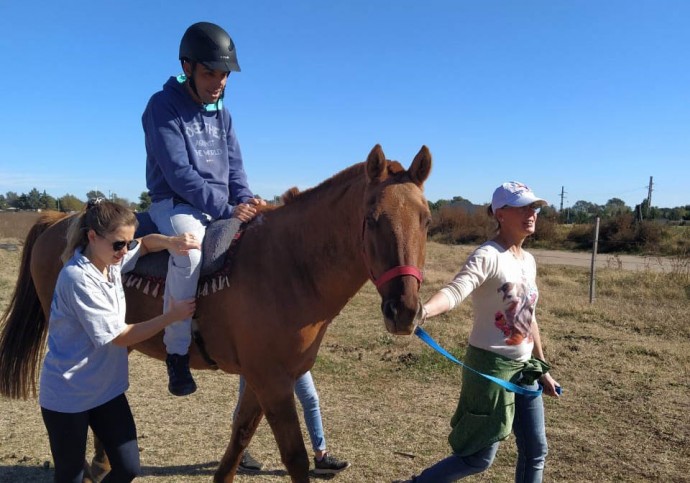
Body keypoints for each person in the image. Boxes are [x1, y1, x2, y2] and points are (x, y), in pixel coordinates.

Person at [395, 182, 561, 483]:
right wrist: (424, 311)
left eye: (533, 207)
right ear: (500, 213)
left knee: (536, 451)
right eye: (522, 207)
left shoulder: (529, 261)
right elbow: (457, 290)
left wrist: (543, 370)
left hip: (525, 370)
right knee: (478, 458)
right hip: (490, 368)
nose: (531, 213)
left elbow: (528, 318)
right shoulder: (488, 255)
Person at [142, 21, 265, 396]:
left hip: (220, 205)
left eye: (224, 74)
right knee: (189, 252)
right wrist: (227, 208)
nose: (219, 82)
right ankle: (177, 352)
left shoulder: (222, 114)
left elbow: (236, 169)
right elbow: (178, 174)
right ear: (187, 67)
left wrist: (246, 201)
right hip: (174, 204)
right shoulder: (161, 106)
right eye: (210, 72)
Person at [39, 198, 199, 483]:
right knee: (70, 475)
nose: (124, 250)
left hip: (106, 391)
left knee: (128, 467)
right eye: (118, 244)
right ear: (92, 237)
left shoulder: (111, 261)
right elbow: (120, 337)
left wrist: (171, 242)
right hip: (69, 394)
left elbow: (145, 243)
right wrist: (170, 316)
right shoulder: (78, 279)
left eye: (126, 243)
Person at [235, 371, 351, 475]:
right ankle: (236, 454)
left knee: (311, 399)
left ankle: (321, 457)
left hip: (292, 356)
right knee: (247, 404)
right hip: (257, 357)